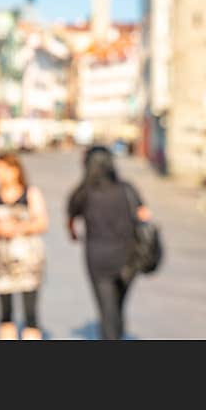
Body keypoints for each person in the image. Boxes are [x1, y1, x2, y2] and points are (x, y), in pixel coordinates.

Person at [67, 145, 150, 340]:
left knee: (106, 309)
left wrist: (74, 235)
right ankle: (117, 334)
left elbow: (71, 220)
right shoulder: (127, 189)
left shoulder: (83, 193)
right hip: (128, 257)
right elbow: (145, 216)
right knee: (118, 305)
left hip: (98, 259)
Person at [0, 152, 48, 340]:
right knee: (5, 310)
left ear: (15, 170)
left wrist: (19, 227)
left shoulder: (31, 193)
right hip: (2, 258)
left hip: (29, 257)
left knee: (30, 310)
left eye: (2, 169)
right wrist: (1, 229)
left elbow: (42, 222)